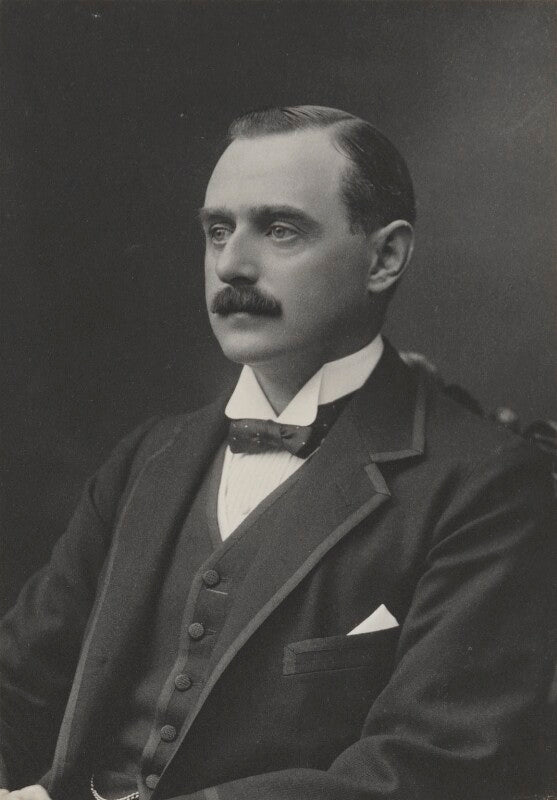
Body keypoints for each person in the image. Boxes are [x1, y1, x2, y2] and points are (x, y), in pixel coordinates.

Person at [0, 106, 554, 800]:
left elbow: (425, 767)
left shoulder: (488, 485)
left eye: (280, 229)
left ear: (384, 257)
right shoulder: (147, 458)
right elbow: (16, 685)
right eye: (217, 230)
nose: (231, 264)